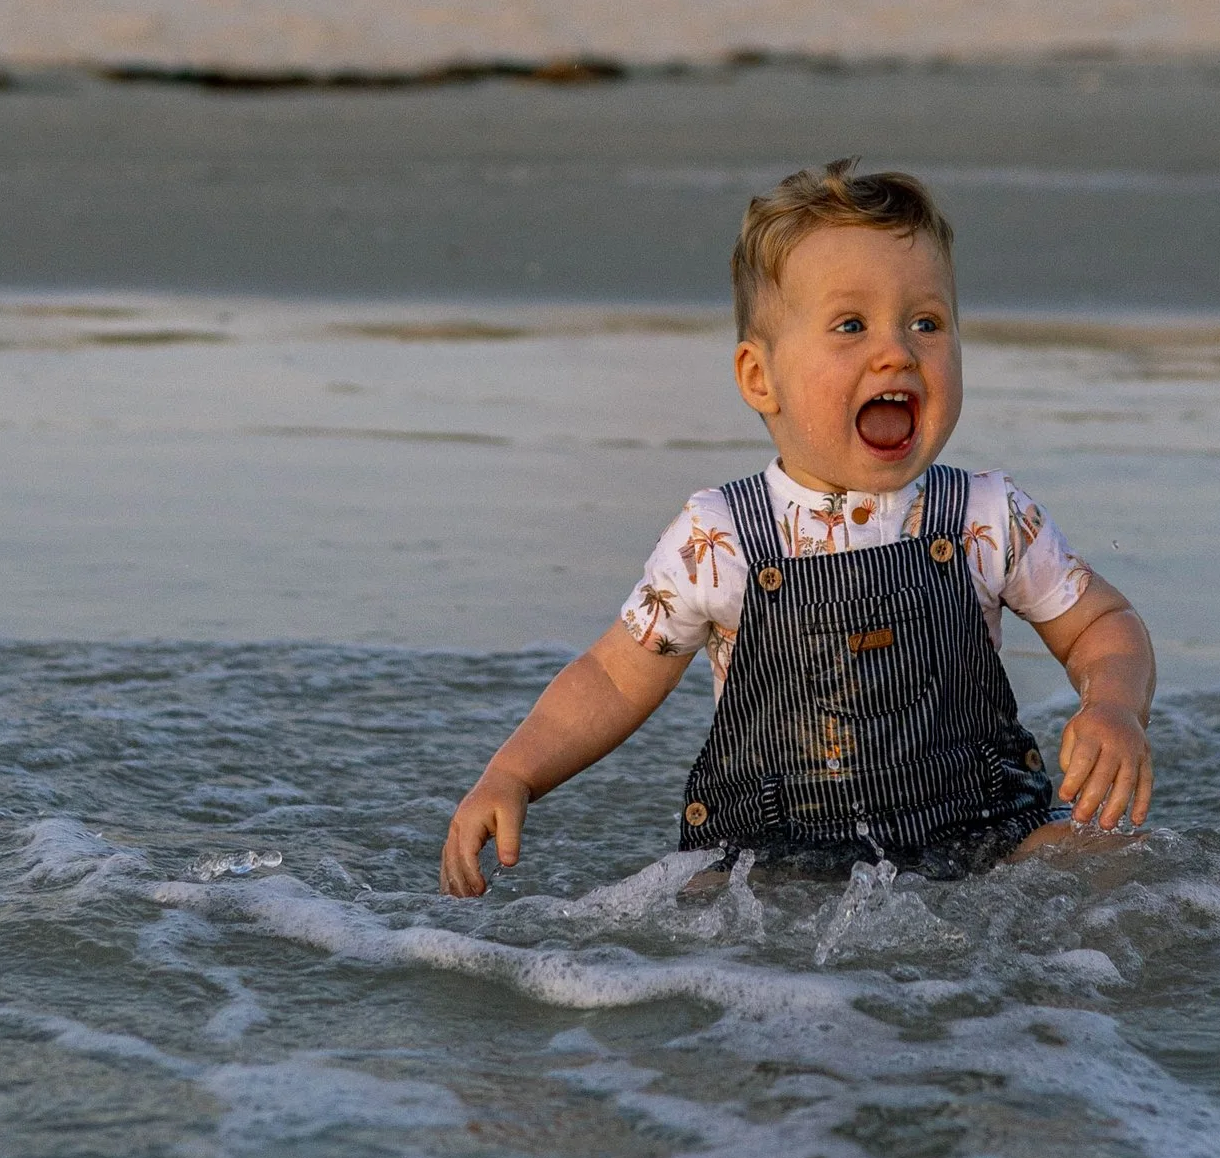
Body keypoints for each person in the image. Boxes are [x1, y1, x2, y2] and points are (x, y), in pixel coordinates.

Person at [440, 160, 1155, 896]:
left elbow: (1104, 622)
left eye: (927, 322)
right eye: (852, 325)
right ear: (760, 378)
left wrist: (1111, 706)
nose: (897, 351)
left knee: (1118, 861)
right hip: (772, 857)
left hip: (981, 838)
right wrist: (515, 774)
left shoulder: (985, 516)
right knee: (691, 900)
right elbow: (611, 679)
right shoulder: (719, 539)